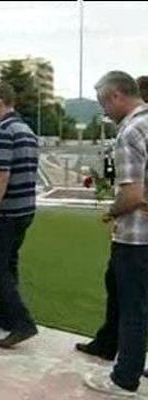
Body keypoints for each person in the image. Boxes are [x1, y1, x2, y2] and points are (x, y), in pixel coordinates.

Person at [81, 71, 148, 397]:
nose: (103, 112)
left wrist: (111, 211)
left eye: (103, 104)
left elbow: (132, 195)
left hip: (136, 239)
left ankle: (125, 379)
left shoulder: (130, 132)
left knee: (132, 307)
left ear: (117, 97)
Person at [0, 82, 39, 348]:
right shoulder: (26, 129)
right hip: (26, 207)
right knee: (10, 263)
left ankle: (21, 322)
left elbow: (2, 174)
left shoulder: (5, 131)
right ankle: (7, 315)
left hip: (8, 211)